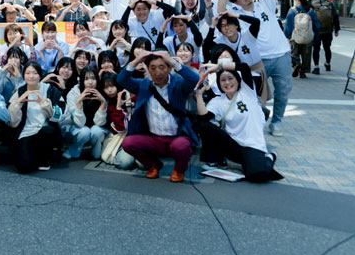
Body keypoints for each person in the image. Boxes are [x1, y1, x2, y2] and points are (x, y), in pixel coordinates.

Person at [219, 0, 292, 136]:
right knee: (255, 93)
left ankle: (277, 121)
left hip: (281, 55)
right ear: (236, 2)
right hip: (257, 60)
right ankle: (257, 119)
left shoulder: (264, 3)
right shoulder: (234, 14)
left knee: (283, 90)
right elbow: (220, 9)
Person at [118, 50, 199, 182]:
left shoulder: (178, 84)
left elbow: (194, 79)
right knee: (128, 143)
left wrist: (173, 61)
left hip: (176, 137)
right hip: (153, 138)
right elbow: (121, 79)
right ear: (148, 70)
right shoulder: (143, 85)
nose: (158, 72)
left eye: (162, 67)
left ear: (168, 68)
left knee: (182, 146)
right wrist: (137, 60)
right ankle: (154, 165)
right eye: (153, 68)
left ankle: (179, 170)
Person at [195, 64, 283, 182]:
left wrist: (217, 67)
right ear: (219, 84)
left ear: (238, 80)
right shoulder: (218, 101)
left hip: (252, 146)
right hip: (233, 145)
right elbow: (205, 117)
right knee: (204, 125)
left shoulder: (247, 91)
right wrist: (199, 95)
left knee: (256, 176)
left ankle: (269, 157)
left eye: (230, 78)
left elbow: (244, 67)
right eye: (223, 80)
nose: (227, 82)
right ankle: (216, 160)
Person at [7, 61, 63, 173]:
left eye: (35, 73)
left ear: (40, 75)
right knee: (23, 167)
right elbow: (12, 122)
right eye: (28, 73)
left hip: (44, 131)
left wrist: (45, 104)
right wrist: (18, 102)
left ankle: (44, 158)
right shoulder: (20, 91)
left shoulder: (51, 90)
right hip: (26, 132)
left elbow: (58, 116)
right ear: (23, 75)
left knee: (47, 131)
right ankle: (34, 155)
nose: (31, 76)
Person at [61, 66, 106, 159]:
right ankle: (73, 150)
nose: (90, 82)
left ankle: (96, 152)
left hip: (96, 127)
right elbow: (79, 123)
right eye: (86, 79)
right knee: (84, 132)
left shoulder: (102, 93)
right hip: (77, 127)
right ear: (81, 81)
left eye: (93, 78)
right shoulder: (73, 93)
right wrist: (78, 102)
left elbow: (99, 123)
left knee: (96, 131)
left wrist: (102, 102)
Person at [285, 0, 320, 79]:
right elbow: (317, 25)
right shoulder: (311, 11)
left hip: (295, 36)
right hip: (308, 37)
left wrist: (287, 35)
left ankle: (296, 64)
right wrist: (314, 34)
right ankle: (303, 72)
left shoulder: (292, 10)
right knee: (306, 55)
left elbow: (288, 25)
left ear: (297, 0)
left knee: (294, 53)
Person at [310, 0, 340, 74]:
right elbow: (335, 16)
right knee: (327, 48)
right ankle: (328, 64)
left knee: (316, 49)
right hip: (328, 30)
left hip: (316, 30)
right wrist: (336, 29)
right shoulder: (330, 3)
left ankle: (316, 67)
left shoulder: (311, 4)